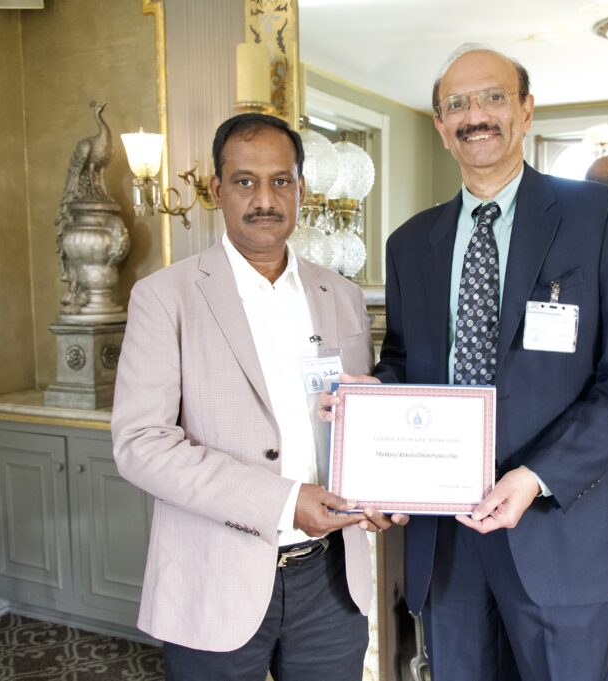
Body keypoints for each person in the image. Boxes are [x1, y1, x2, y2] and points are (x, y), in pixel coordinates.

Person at [375, 45, 608, 680]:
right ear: (440, 125)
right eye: (457, 104)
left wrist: (536, 476)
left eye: (493, 97)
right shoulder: (410, 243)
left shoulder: (596, 216)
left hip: (559, 525)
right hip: (447, 535)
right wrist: (365, 401)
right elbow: (402, 360)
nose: (475, 115)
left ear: (526, 110)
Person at [111, 112, 404, 681]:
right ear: (217, 189)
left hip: (331, 581)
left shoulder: (342, 295)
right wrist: (284, 501)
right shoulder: (164, 297)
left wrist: (384, 484)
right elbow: (141, 445)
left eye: (280, 181)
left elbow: (358, 419)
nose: (264, 199)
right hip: (211, 575)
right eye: (245, 181)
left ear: (301, 189)